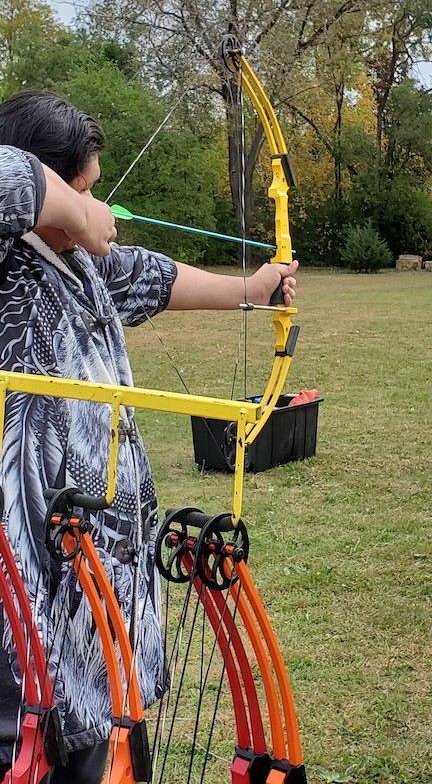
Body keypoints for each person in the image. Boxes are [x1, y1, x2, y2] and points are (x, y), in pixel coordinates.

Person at [0, 91, 298, 784]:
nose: (94, 207)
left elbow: (153, 278)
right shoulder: (9, 265)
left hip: (97, 608)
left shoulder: (79, 265)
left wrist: (252, 287)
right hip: (28, 618)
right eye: (81, 190)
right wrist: (71, 209)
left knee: (104, 750)